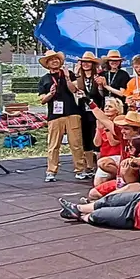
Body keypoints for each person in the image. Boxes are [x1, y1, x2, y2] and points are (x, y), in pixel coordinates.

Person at [37, 51, 89, 183]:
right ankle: (51, 171)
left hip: (72, 112)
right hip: (54, 116)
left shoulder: (69, 74)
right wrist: (50, 93)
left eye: (56, 59)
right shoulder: (44, 79)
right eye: (51, 60)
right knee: (53, 145)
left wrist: (67, 78)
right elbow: (42, 100)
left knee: (76, 143)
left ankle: (80, 169)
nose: (55, 61)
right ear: (47, 64)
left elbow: (74, 90)